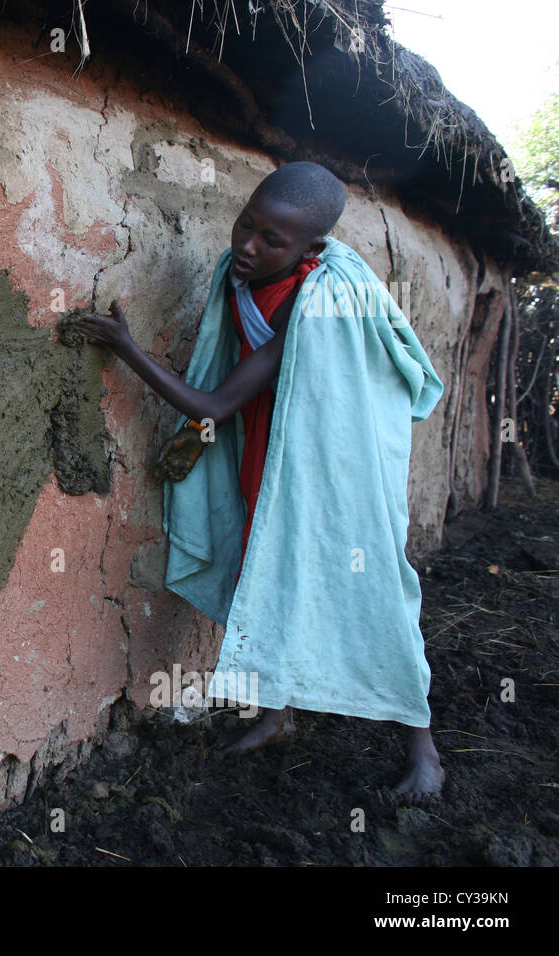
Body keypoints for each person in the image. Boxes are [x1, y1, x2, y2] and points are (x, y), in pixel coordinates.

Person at [82, 161, 445, 800]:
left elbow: (214, 405)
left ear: (311, 249)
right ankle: (277, 716)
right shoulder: (241, 275)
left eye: (271, 240)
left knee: (379, 593)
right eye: (246, 222)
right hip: (270, 455)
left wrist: (127, 349)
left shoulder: (316, 302)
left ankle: (425, 749)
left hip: (333, 474)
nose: (248, 244)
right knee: (268, 571)